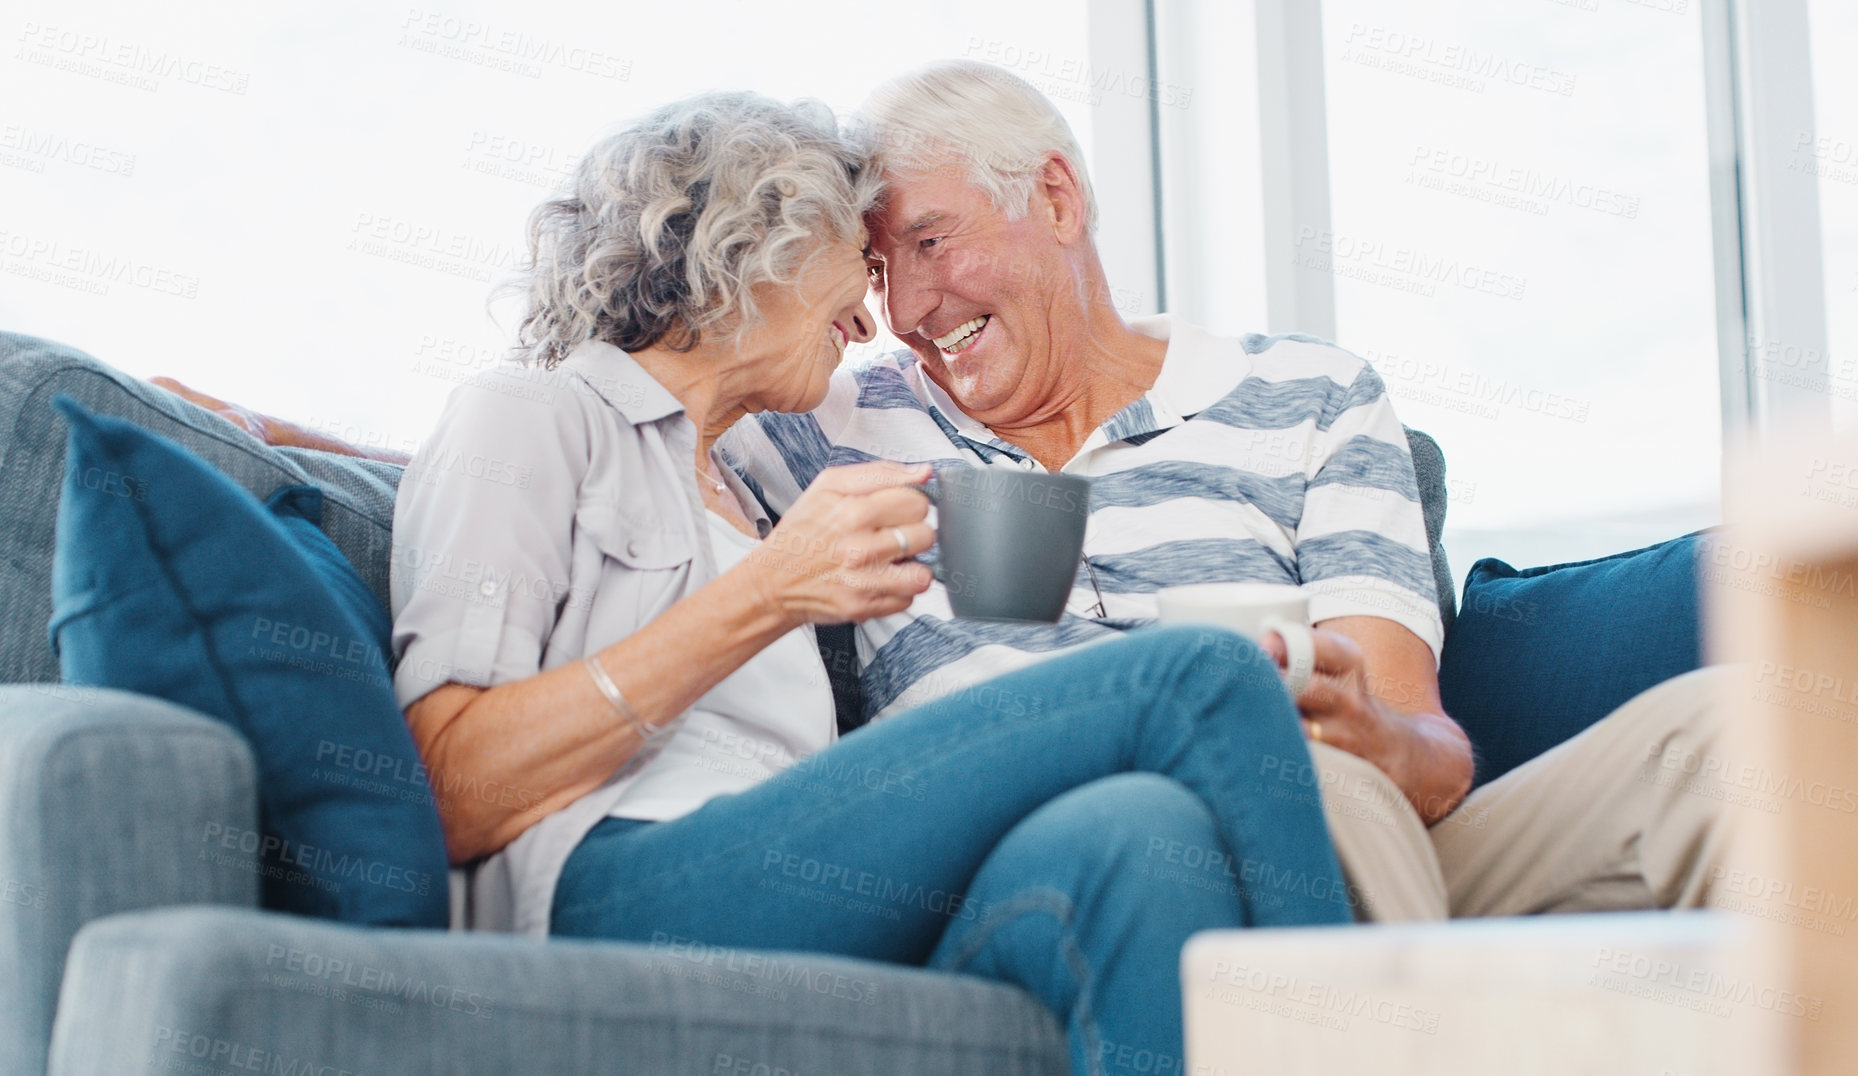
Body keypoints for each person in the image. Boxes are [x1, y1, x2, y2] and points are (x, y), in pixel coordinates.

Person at [162, 62, 1733, 926]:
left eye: (922, 244)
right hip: (1090, 825)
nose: (899, 310)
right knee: (1205, 743)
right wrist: (211, 413)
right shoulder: (829, 425)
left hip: (1367, 821)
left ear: (1053, 197)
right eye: (870, 265)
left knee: (1726, 734)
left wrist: (1362, 727)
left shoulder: (1313, 397)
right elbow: (607, 399)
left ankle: (1397, 1000)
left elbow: (1433, 755)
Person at [381, 90, 1354, 1076]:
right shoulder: (536, 417)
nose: (875, 313)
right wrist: (768, 592)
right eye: (862, 257)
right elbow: (448, 785)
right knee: (1197, 675)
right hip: (612, 884)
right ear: (756, 246)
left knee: (1139, 835)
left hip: (789, 880)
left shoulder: (743, 478)